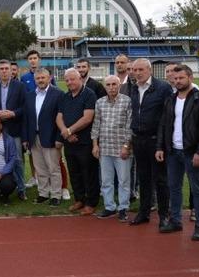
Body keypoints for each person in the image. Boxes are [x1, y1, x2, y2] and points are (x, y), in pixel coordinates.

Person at [156, 65, 199, 239]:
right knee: (174, 188)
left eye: (181, 78)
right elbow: (164, 125)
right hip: (172, 152)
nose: (177, 81)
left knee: (197, 189)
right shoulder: (170, 99)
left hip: (191, 152)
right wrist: (160, 147)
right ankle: (176, 221)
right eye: (175, 79)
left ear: (190, 78)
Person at [128, 58, 171, 227]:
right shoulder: (133, 88)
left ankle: (163, 216)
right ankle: (143, 213)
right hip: (139, 140)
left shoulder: (163, 88)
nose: (137, 73)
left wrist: (161, 144)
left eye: (141, 70)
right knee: (143, 178)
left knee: (161, 179)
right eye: (135, 70)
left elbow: (167, 118)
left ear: (149, 70)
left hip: (156, 141)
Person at [90, 75, 133, 221]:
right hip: (105, 148)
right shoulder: (100, 102)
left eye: (114, 84)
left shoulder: (127, 101)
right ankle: (109, 207)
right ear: (105, 86)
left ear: (119, 85)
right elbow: (96, 125)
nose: (111, 87)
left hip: (122, 149)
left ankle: (123, 207)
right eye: (108, 85)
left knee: (123, 180)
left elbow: (130, 126)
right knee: (106, 180)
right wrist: (95, 145)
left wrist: (127, 146)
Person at [57, 68, 98, 216]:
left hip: (85, 142)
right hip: (70, 142)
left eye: (72, 79)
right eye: (67, 80)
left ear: (80, 78)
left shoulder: (89, 94)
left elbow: (88, 118)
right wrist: (66, 134)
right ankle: (79, 199)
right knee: (74, 172)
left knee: (89, 173)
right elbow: (59, 117)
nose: (69, 82)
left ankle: (91, 202)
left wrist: (70, 131)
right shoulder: (65, 96)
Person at [0, 59, 27, 199]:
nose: (4, 71)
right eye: (1, 69)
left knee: (17, 160)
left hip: (14, 128)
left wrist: (13, 113)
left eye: (6, 69)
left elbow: (24, 107)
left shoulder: (20, 87)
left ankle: (21, 189)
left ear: (11, 70)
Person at [22, 69, 63, 206]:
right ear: (35, 80)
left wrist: (59, 138)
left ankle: (56, 194)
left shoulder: (58, 94)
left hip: (51, 137)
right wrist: (26, 138)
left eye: (43, 77)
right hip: (34, 137)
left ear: (50, 78)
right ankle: (43, 193)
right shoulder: (29, 96)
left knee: (53, 168)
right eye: (38, 78)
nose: (40, 80)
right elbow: (26, 119)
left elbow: (62, 119)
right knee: (40, 168)